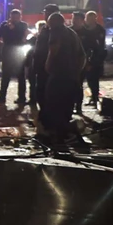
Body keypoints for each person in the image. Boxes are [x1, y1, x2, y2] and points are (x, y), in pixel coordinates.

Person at [43, 12, 85, 143]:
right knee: (67, 105)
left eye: (49, 23)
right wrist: (77, 72)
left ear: (54, 22)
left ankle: (57, 134)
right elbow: (82, 56)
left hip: (58, 74)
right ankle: (65, 132)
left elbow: (53, 49)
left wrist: (48, 65)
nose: (48, 26)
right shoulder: (73, 33)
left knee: (53, 103)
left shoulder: (56, 31)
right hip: (72, 76)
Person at [0, 9, 29, 107]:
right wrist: (6, 28)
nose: (14, 19)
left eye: (17, 17)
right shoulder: (4, 24)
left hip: (18, 52)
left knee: (21, 76)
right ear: (10, 16)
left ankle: (22, 97)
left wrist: (13, 28)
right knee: (5, 75)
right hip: (7, 51)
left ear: (20, 17)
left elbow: (21, 36)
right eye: (13, 17)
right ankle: (2, 97)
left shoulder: (23, 25)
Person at [31, 4, 61, 109]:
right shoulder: (44, 29)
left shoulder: (59, 30)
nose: (45, 15)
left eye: (47, 13)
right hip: (41, 66)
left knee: (51, 93)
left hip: (53, 67)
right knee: (40, 91)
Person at [78, 10, 106, 108]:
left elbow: (101, 46)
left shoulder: (100, 30)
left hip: (95, 58)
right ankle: (81, 101)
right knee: (82, 80)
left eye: (92, 18)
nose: (89, 20)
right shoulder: (82, 29)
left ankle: (95, 97)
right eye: (88, 18)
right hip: (83, 57)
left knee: (94, 79)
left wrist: (95, 60)